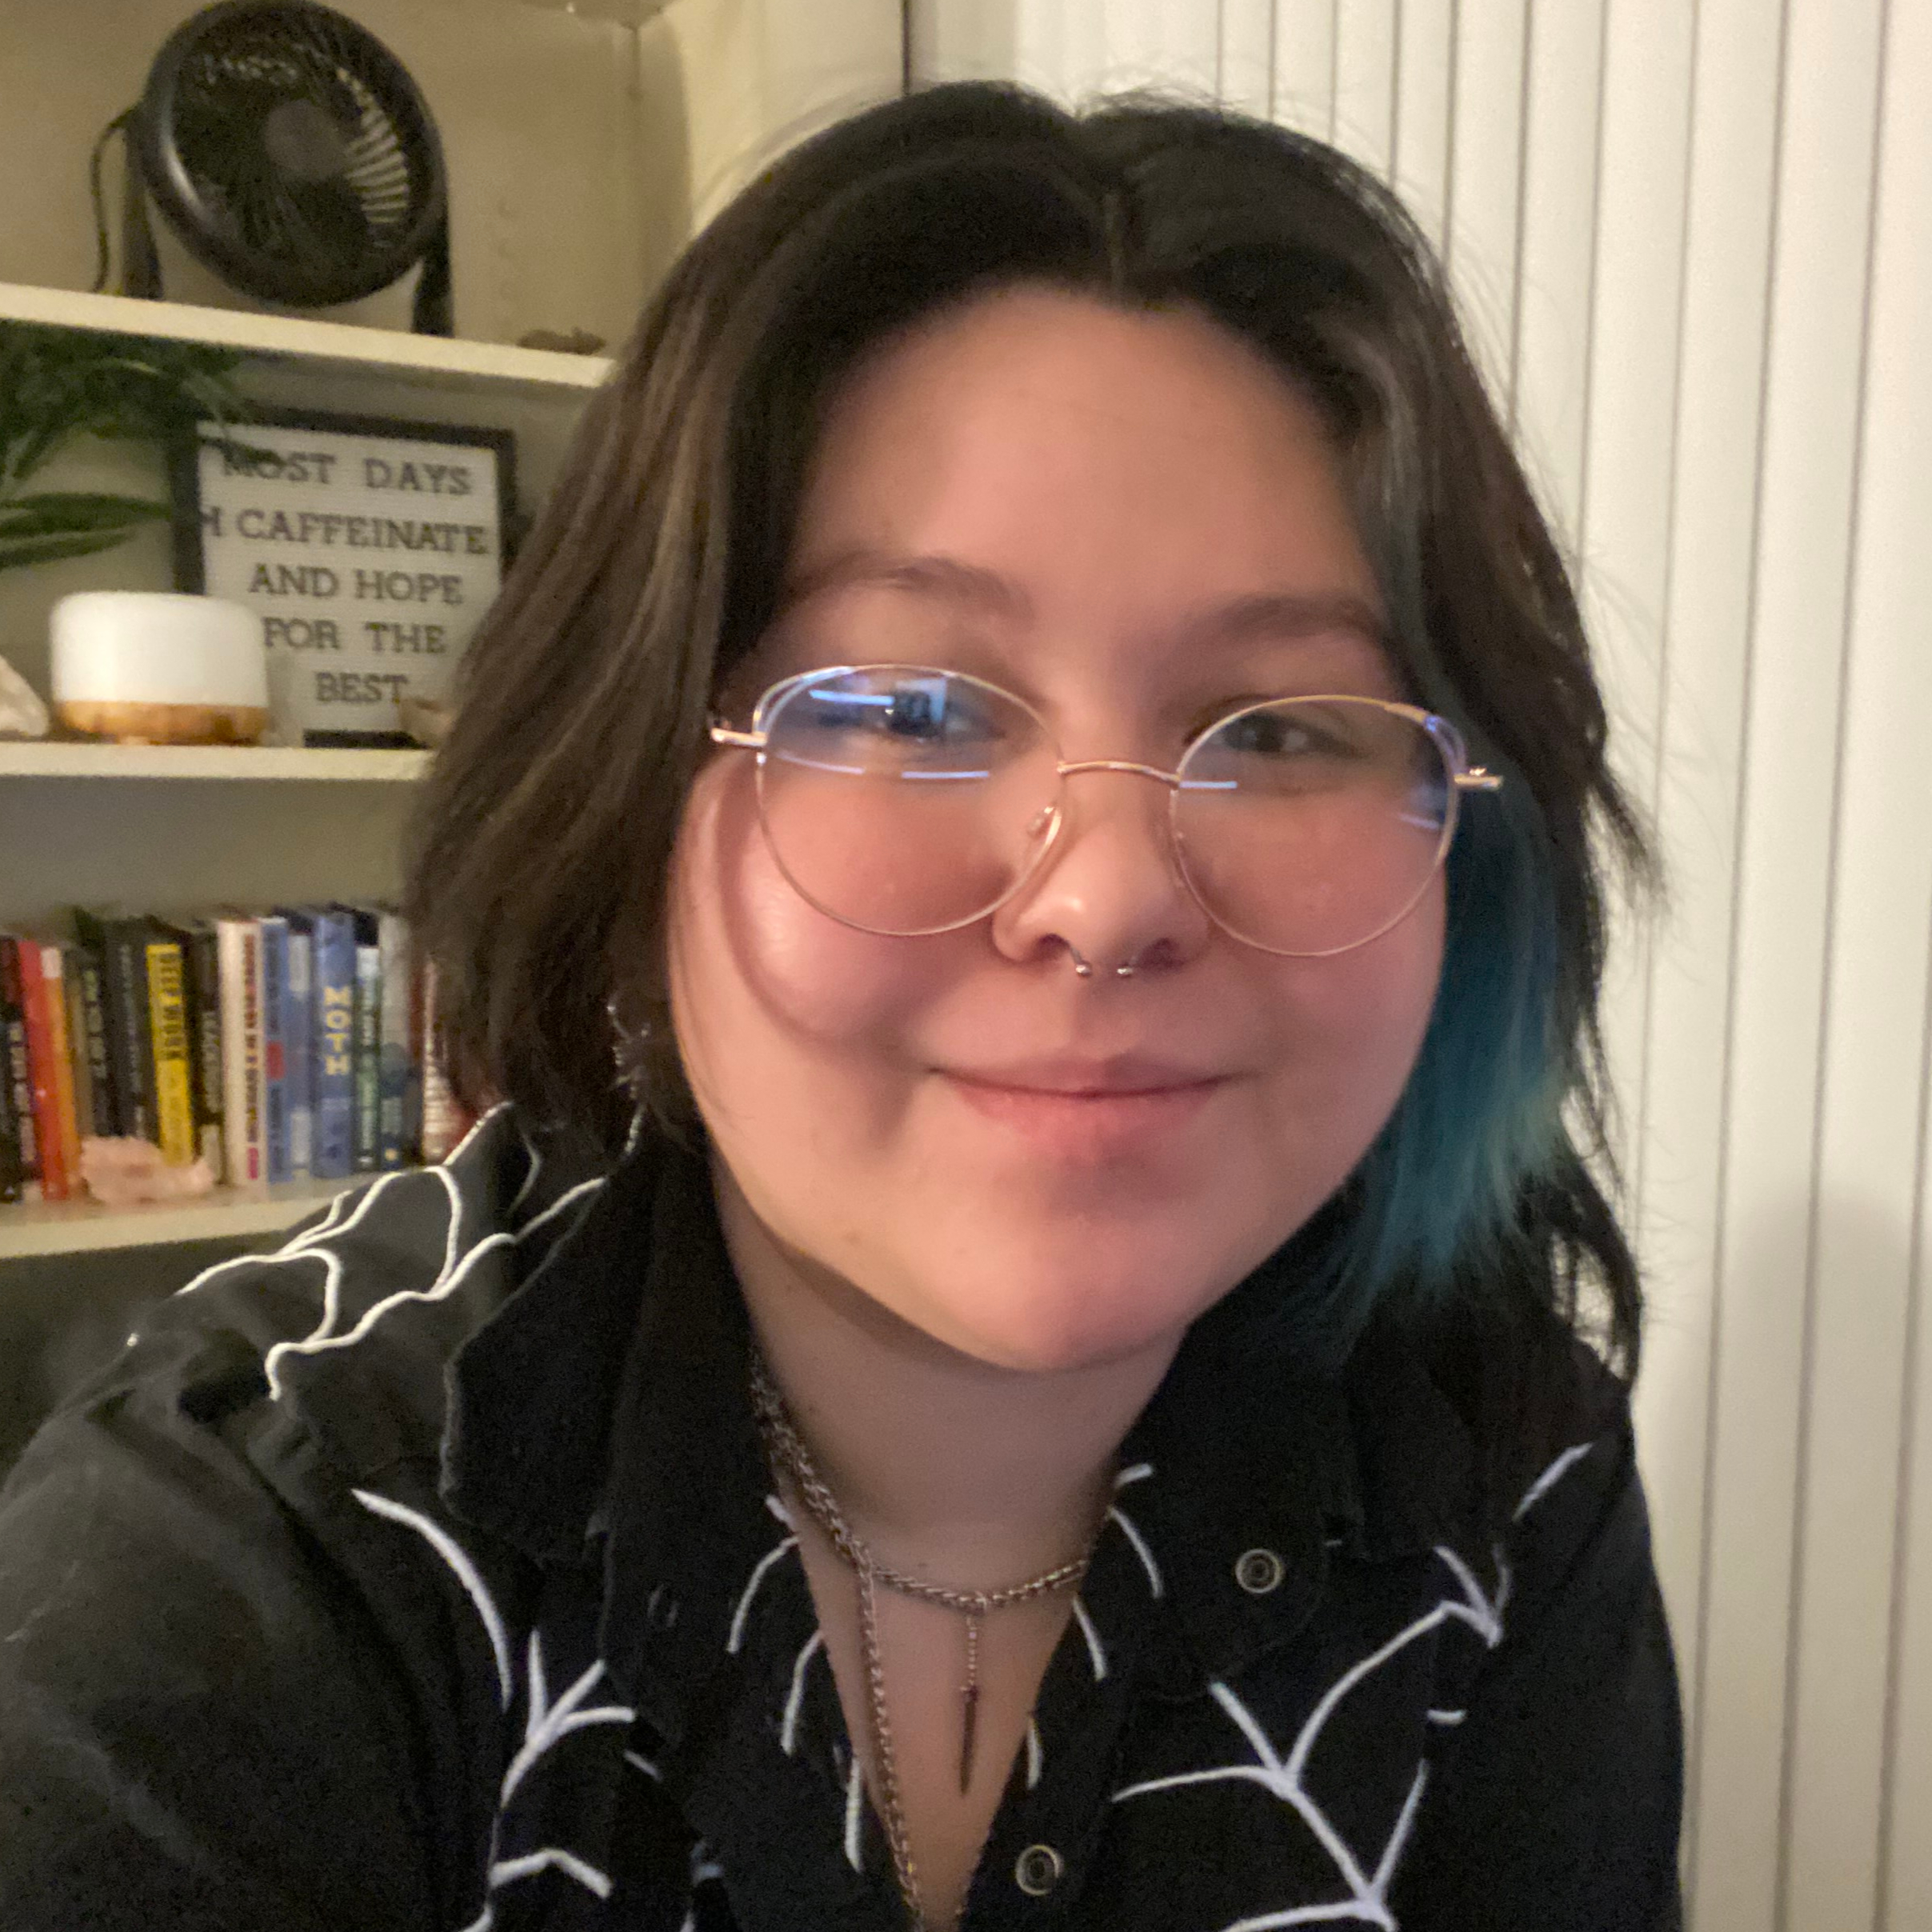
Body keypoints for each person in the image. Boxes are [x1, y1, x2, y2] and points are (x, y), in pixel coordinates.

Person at [0, 81, 1681, 1932]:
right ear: (629, 787)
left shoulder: (1495, 1465)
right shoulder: (248, 1565)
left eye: (1277, 728)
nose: (1107, 893)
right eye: (906, 710)